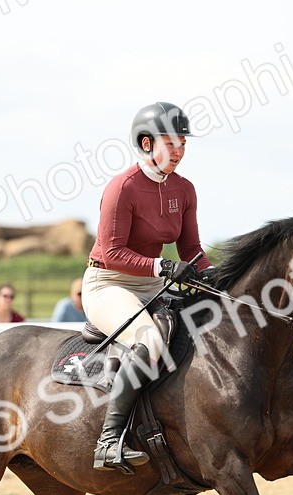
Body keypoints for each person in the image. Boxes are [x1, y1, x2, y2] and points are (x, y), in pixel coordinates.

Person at [83, 101, 213, 471]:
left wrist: (217, 277)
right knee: (150, 340)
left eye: (183, 143)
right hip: (108, 283)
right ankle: (108, 441)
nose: (179, 150)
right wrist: (162, 265)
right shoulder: (122, 188)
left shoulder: (184, 189)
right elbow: (112, 253)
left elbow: (191, 250)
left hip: (151, 284)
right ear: (146, 143)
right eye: (170, 143)